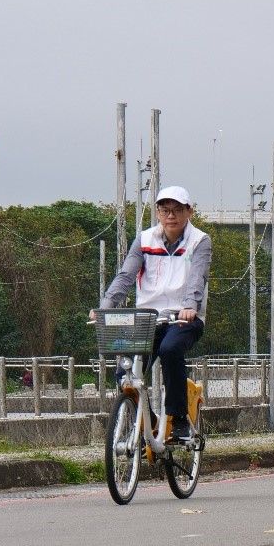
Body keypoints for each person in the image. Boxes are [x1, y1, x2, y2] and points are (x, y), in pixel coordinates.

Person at [97, 186, 212, 441]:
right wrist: (105, 307)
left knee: (170, 350)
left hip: (182, 318)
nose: (171, 216)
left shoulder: (200, 241)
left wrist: (190, 307)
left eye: (177, 210)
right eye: (165, 210)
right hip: (148, 318)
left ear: (188, 212)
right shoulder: (145, 239)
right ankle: (147, 419)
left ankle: (179, 418)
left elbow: (198, 278)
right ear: (158, 212)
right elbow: (126, 275)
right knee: (124, 369)